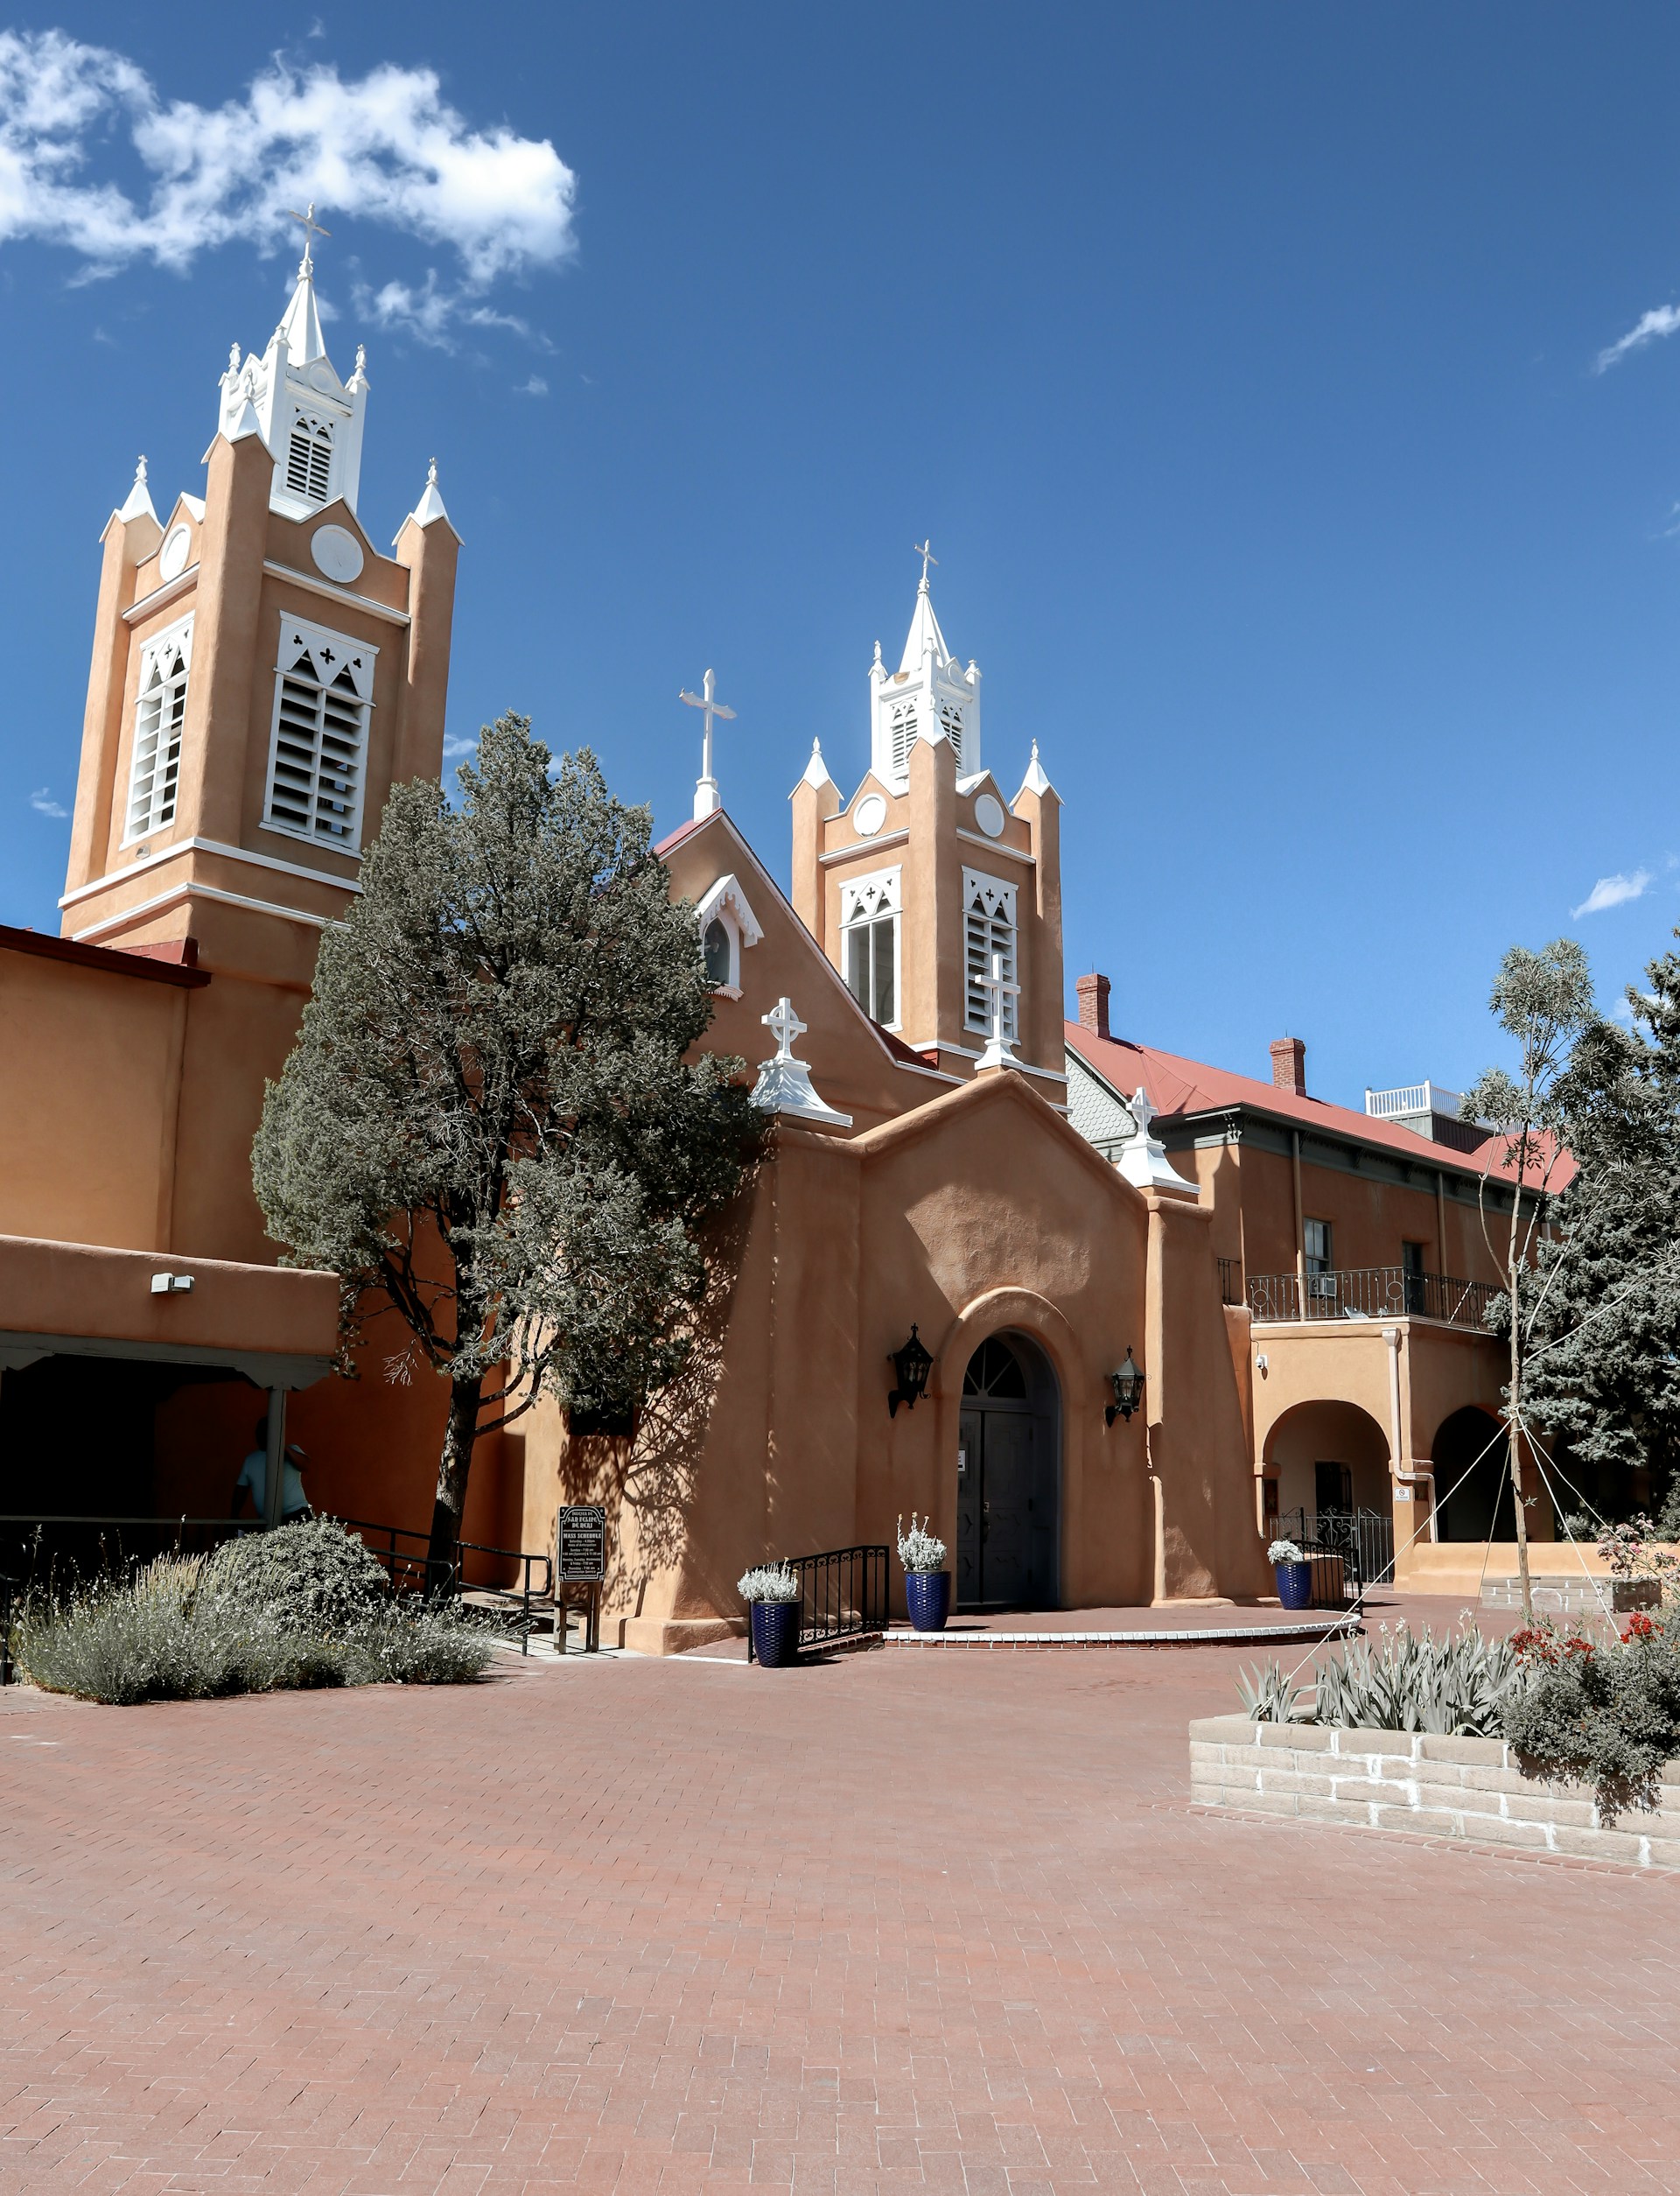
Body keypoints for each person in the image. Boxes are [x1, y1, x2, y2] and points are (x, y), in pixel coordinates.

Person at [232, 1416, 312, 1524]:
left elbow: (305, 1465)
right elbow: (240, 1491)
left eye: (263, 1432)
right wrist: (234, 1515)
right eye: (258, 1432)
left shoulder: (292, 1450)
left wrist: (282, 1447)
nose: (258, 1436)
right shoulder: (251, 1460)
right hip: (267, 1520)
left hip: (297, 1514)